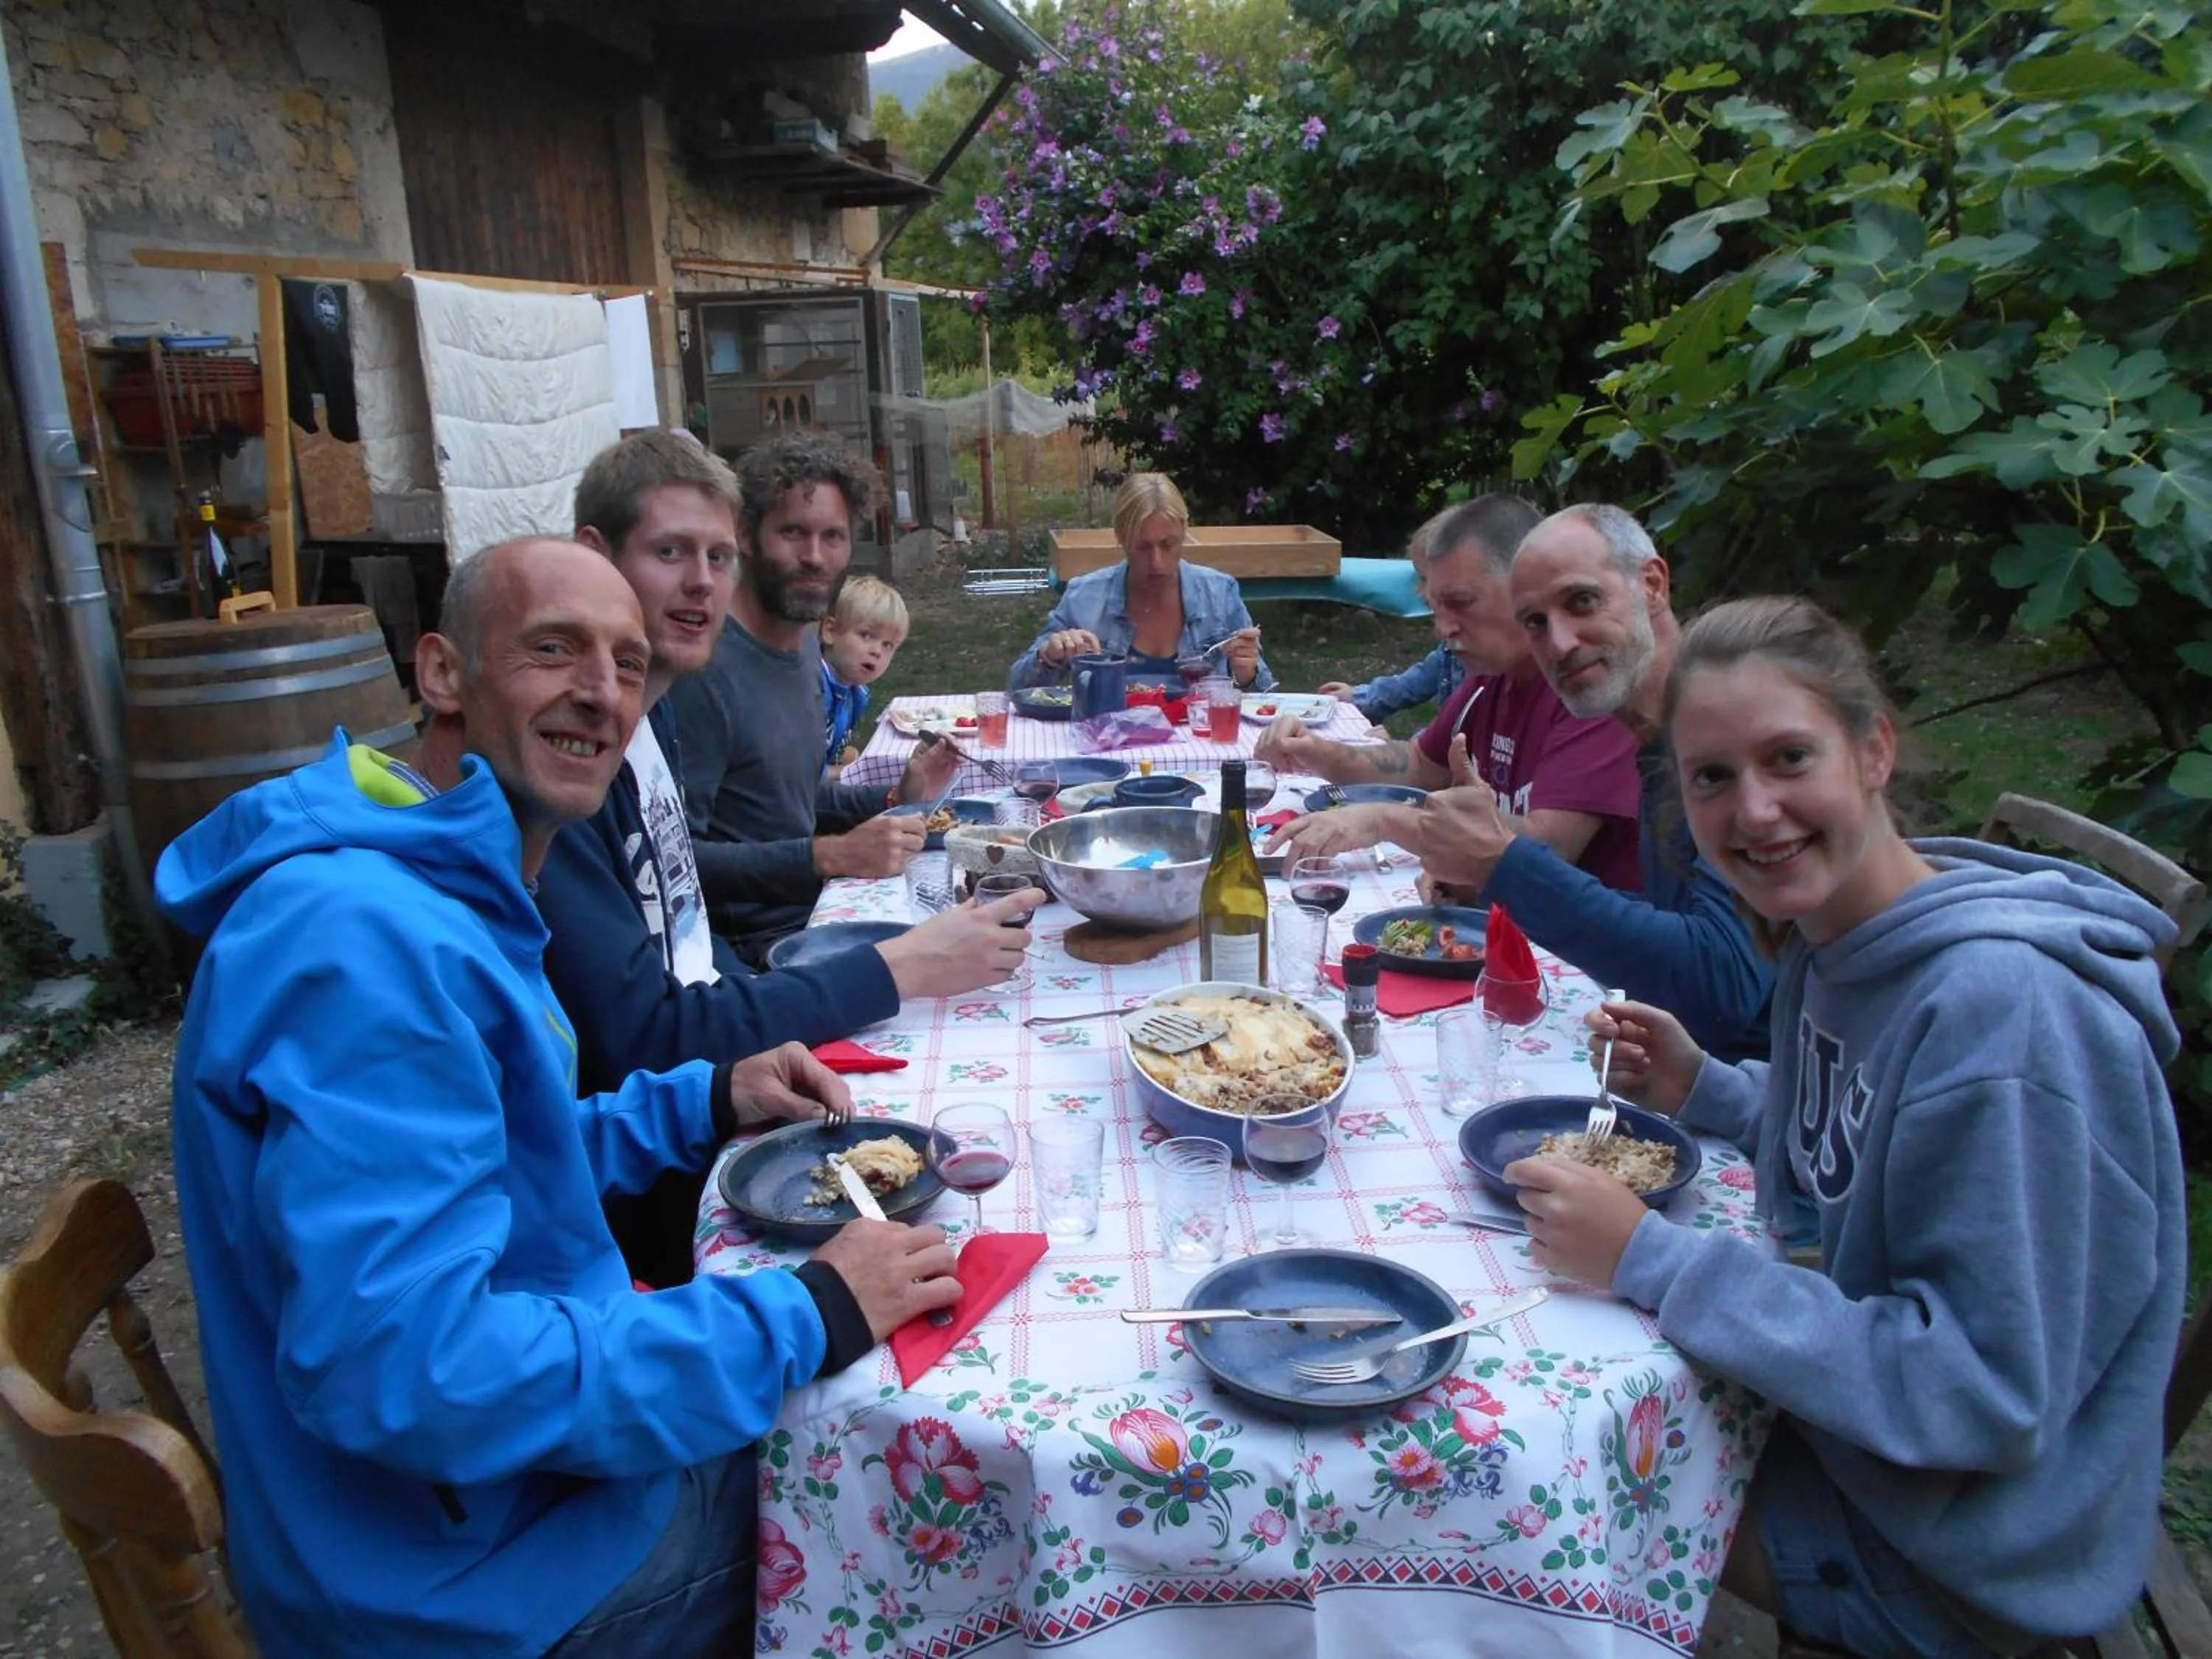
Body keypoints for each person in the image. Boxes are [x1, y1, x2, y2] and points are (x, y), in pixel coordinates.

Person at [158, 537, 965, 1659]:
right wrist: (807, 1312)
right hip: (464, 1583)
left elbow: (484, 1157)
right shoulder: (360, 946)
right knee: (911, 1519)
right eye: (553, 650)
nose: (602, 691)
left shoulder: (441, 874)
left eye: (628, 664)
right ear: (443, 672)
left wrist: (702, 1099)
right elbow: (412, 1371)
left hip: (499, 1495)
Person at [1518, 596, 2184, 1657]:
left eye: (1789, 757)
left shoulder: (2005, 1022)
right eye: (1712, 778)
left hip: (1951, 1556)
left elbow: (1982, 1396)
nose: (1756, 811)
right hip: (1870, 1450)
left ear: (1874, 749)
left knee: (1537, 1480)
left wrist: (1653, 1258)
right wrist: (1713, 1089)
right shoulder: (1839, 937)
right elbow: (1869, 1131)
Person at [543, 431, 1036, 1285]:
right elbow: (646, 1033)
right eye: (671, 553)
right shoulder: (565, 785)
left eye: (716, 556)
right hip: (625, 1214)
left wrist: (889, 805)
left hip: (693, 1081)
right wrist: (891, 964)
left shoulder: (651, 729)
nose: (704, 582)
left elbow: (687, 932)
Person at [1419, 502, 1771, 1057]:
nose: (1559, 644)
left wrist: (1504, 865)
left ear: (1652, 585)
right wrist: (1498, 877)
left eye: (1582, 601)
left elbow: (1721, 987)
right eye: (1535, 622)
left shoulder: (1734, 734)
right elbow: (1672, 916)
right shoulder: (1655, 738)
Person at [669, 432, 967, 964]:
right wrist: (828, 856)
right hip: (755, 951)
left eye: (832, 536)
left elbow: (796, 798)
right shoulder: (704, 673)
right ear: (745, 534)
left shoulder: (805, 644)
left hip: (822, 910)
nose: (814, 557)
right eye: (792, 532)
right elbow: (676, 861)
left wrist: (896, 796)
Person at [1258, 494, 1642, 891]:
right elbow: (1419, 764)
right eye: (1436, 607)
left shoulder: (1589, 688)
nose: (1443, 628)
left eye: (1460, 603)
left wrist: (1384, 820)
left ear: (1524, 588)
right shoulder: (1493, 677)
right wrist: (1317, 752)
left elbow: (1549, 849)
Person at [1006, 472, 1276, 692]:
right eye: (1143, 547)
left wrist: (1247, 675)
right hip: (1107, 738)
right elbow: (1018, 688)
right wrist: (1049, 656)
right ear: (1121, 538)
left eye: (1168, 545)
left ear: (1184, 531)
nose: (1157, 563)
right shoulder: (1084, 597)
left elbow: (1266, 699)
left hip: (1198, 739)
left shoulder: (1219, 593)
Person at [1315, 510, 1467, 723]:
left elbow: (1465, 729)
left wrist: (1409, 743)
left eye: (1425, 579)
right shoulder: (1450, 646)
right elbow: (1413, 683)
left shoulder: (1483, 657)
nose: (1419, 591)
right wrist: (1358, 697)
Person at [818, 574, 907, 777]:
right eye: (866, 635)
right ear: (830, 631)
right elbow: (794, 773)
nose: (877, 652)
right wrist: (846, 771)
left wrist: (846, 757)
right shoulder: (811, 691)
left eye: (888, 645)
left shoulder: (856, 694)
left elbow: (833, 750)